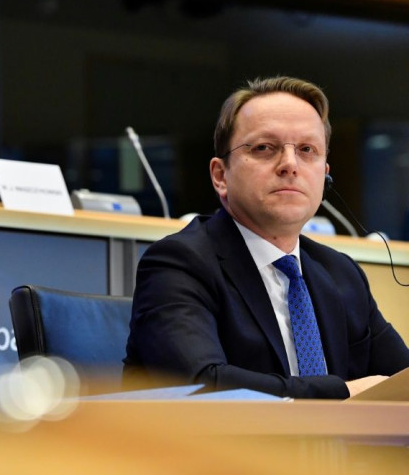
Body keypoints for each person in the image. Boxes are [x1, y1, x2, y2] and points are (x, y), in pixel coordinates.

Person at [124, 76, 409, 399]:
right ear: (221, 175)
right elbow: (201, 384)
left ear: (324, 174)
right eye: (264, 148)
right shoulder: (179, 263)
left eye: (307, 150)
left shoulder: (341, 274)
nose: (290, 164)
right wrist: (340, 392)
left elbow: (402, 381)